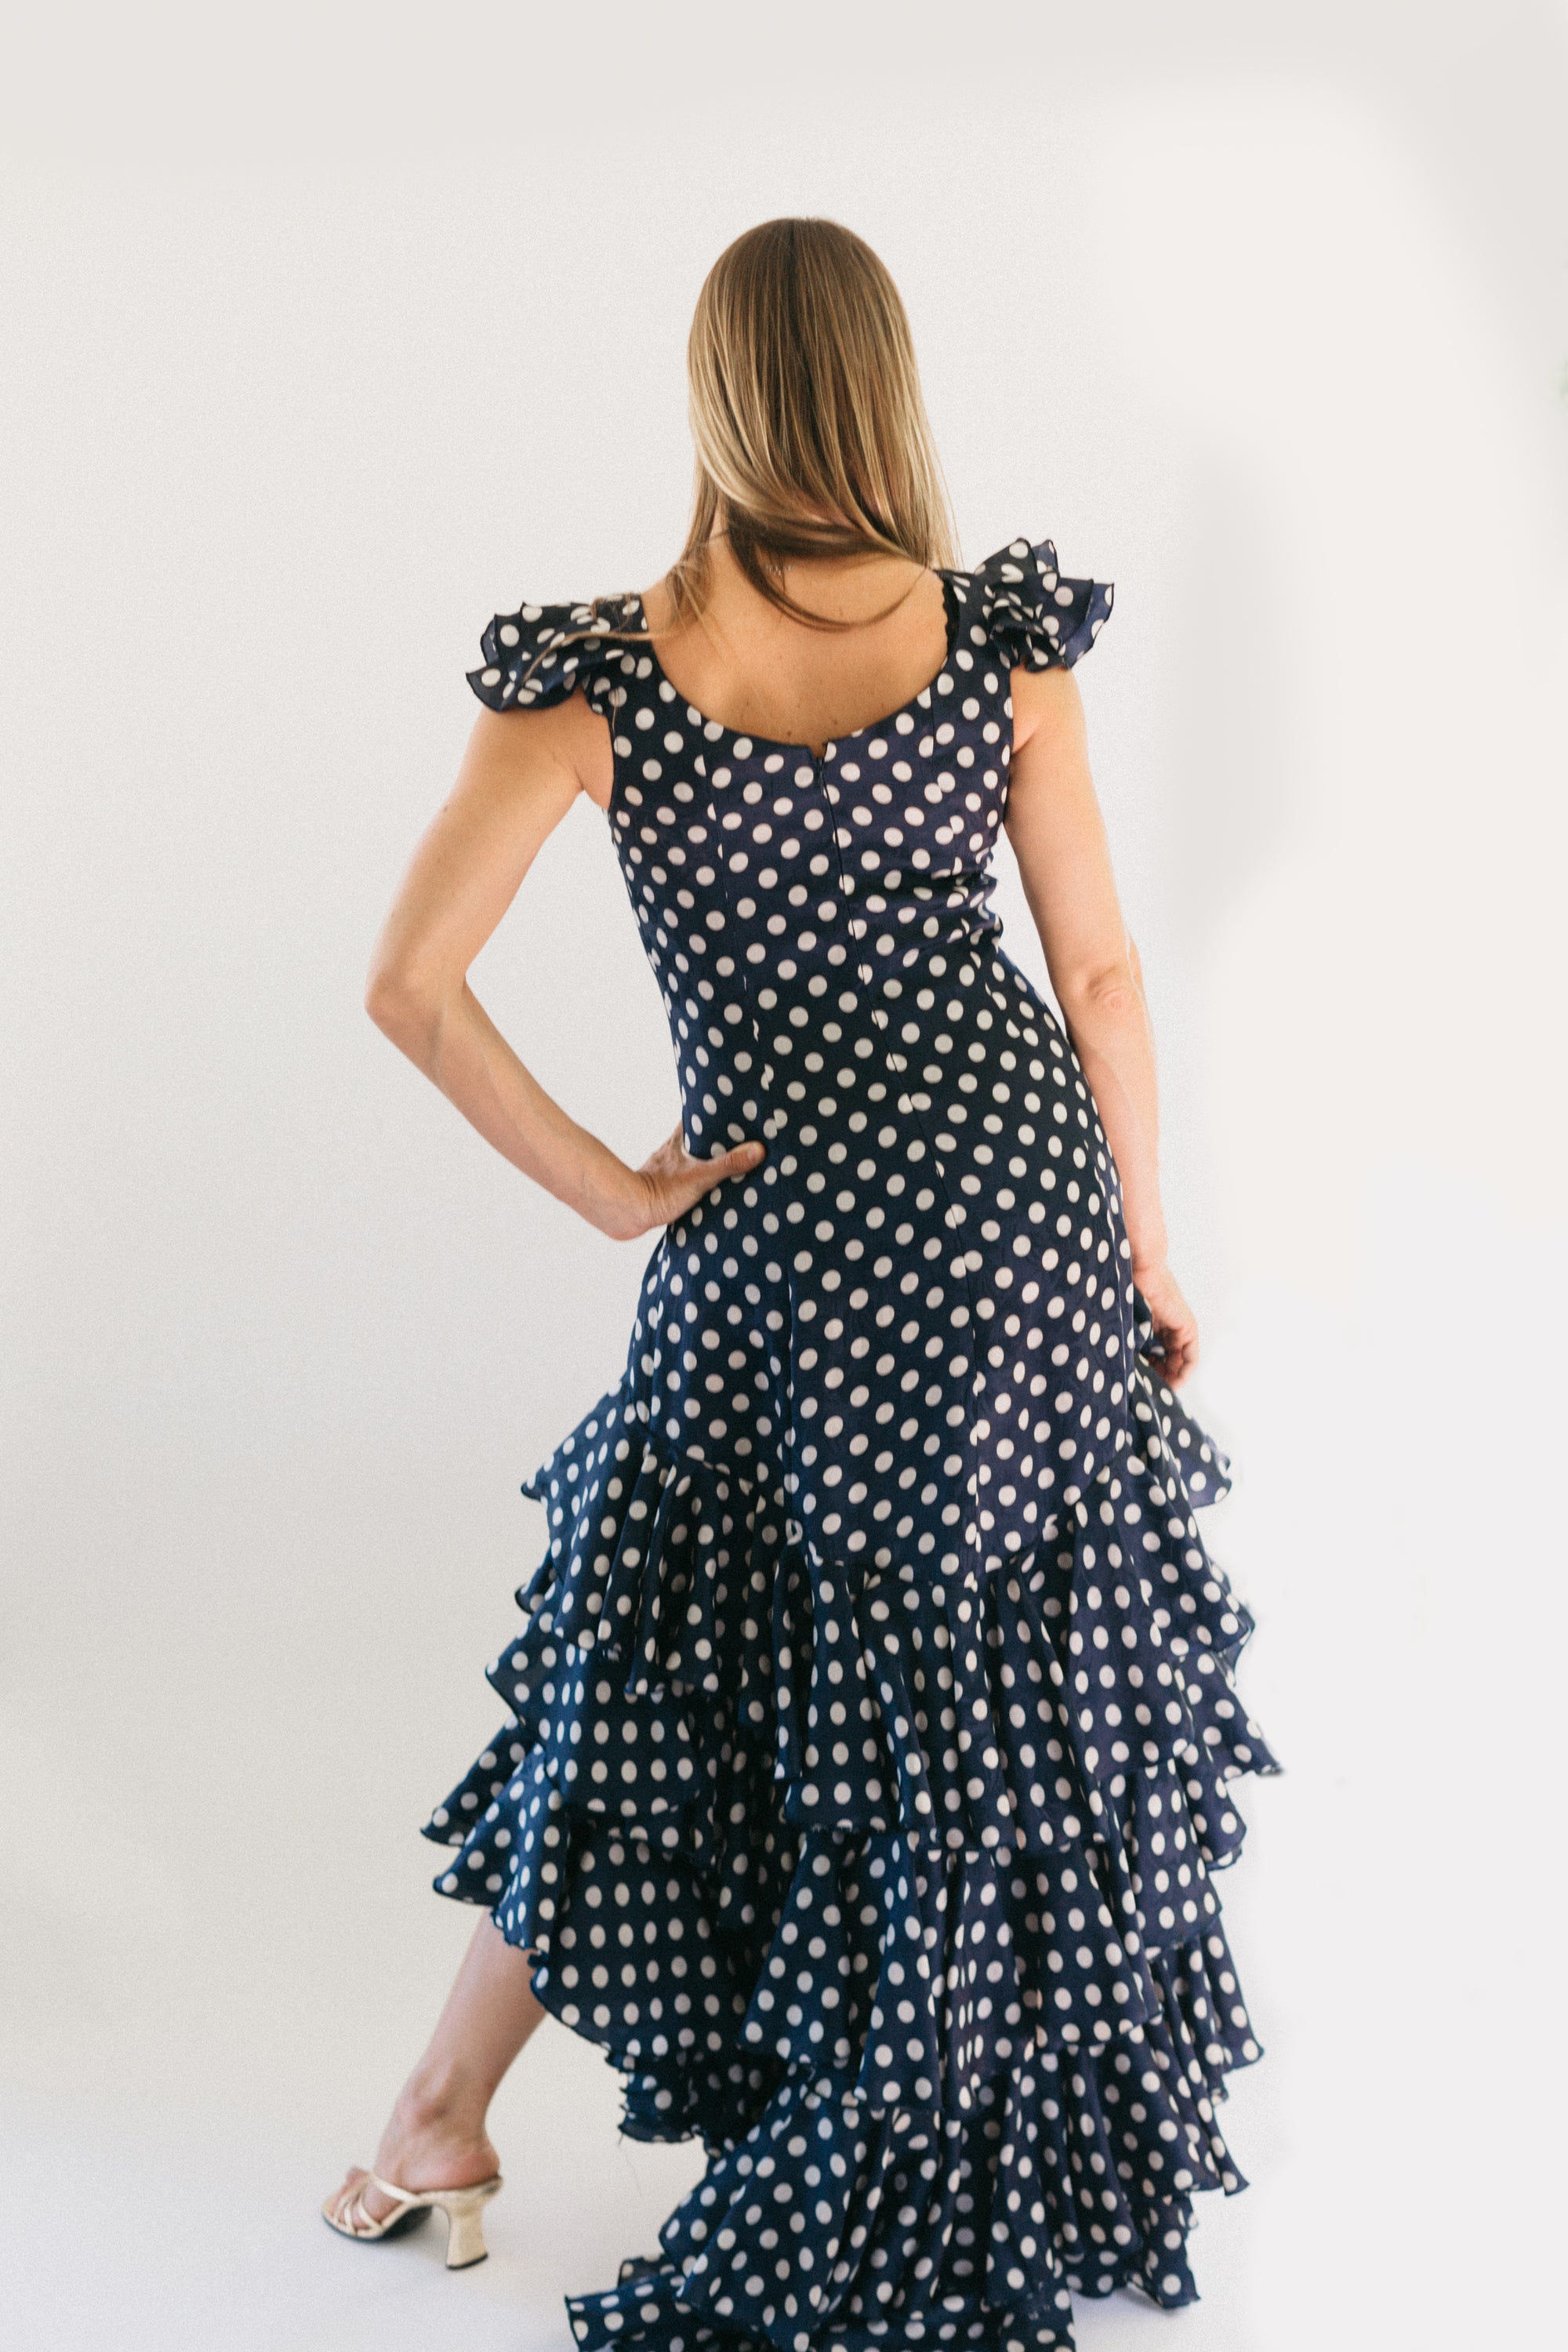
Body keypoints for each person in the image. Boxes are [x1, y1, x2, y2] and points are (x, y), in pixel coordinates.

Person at [324, 216, 1276, 2348]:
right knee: (997, 1699)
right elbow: (1100, 971)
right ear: (888, 386)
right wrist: (1135, 1243)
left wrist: (610, 1189)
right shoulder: (1001, 641)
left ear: (720, 400)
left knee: (641, 1675)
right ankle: (990, 2128)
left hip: (782, 1257)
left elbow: (409, 985)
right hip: (1015, 1230)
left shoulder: (611, 676)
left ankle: (441, 2112)